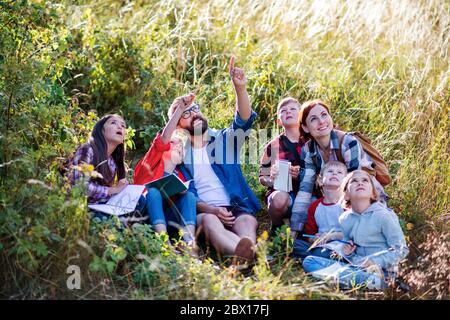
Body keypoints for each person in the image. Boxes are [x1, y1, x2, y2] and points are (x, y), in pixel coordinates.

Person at [171, 56, 261, 265]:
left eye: (195, 108)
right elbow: (188, 194)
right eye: (186, 113)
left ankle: (247, 250)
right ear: (178, 125)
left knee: (247, 219)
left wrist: (240, 88)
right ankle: (245, 255)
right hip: (207, 211)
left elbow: (243, 121)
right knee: (211, 222)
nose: (194, 113)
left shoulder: (223, 140)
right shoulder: (180, 156)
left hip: (235, 205)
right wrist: (212, 210)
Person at [290, 99, 386, 237]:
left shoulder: (348, 142)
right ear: (305, 127)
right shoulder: (308, 150)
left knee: (366, 219)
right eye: (314, 119)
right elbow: (305, 188)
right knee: (311, 202)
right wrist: (295, 229)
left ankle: (360, 233)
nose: (321, 121)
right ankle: (313, 237)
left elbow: (355, 183)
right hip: (332, 191)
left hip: (362, 189)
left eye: (324, 115)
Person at [302, 170, 409, 290]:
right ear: (346, 194)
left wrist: (374, 262)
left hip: (381, 270)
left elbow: (401, 249)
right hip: (356, 267)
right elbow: (351, 250)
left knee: (361, 274)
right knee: (309, 261)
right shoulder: (345, 219)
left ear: (373, 193)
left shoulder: (383, 215)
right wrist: (348, 252)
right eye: (354, 181)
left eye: (365, 180)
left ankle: (373, 283)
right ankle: (362, 283)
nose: (360, 183)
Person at [133, 93, 198, 250]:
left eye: (182, 146)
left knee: (189, 196)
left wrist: (181, 192)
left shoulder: (182, 175)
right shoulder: (152, 162)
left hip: (169, 218)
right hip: (146, 217)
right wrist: (180, 109)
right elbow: (163, 139)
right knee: (154, 192)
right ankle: (165, 244)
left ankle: (190, 243)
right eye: (174, 143)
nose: (178, 146)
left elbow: (191, 200)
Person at [69, 114, 148, 225]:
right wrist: (112, 190)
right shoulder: (88, 149)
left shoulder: (112, 162)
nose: (120, 127)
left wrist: (122, 189)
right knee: (111, 224)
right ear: (102, 130)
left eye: (123, 126)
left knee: (140, 200)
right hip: (84, 208)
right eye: (113, 123)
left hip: (103, 207)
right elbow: (79, 185)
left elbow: (107, 192)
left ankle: (126, 229)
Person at [259, 97, 304, 236]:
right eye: (283, 111)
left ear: (301, 114)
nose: (288, 112)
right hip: (284, 194)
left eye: (292, 109)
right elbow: (262, 177)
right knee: (279, 198)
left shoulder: (311, 141)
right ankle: (277, 228)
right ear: (279, 121)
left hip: (308, 194)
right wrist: (272, 180)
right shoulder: (273, 146)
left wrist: (301, 174)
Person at [292, 161, 347, 259]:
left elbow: (354, 233)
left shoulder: (347, 204)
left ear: (346, 181)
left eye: (339, 172)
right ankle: (321, 259)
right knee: (292, 244)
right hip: (322, 245)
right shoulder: (315, 206)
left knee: (321, 253)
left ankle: (320, 259)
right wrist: (314, 240)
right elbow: (309, 234)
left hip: (343, 246)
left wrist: (330, 236)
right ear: (320, 180)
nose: (334, 173)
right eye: (330, 171)